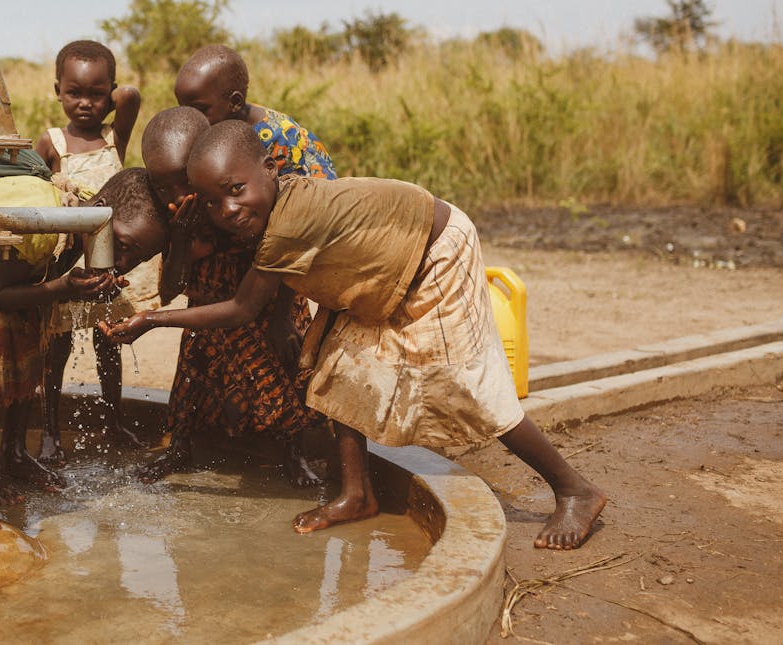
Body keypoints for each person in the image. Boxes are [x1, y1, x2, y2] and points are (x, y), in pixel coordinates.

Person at [103, 121, 607, 550]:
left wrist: (150, 321)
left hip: (435, 257)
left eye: (236, 190)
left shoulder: (287, 225)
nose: (229, 210)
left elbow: (241, 308)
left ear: (271, 169)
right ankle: (357, 494)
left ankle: (573, 489)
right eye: (213, 202)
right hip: (389, 271)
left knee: (468, 386)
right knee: (338, 373)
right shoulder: (274, 209)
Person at [139, 106, 324, 486]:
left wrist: (282, 318)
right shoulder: (185, 214)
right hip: (207, 314)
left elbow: (285, 263)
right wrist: (180, 236)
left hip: (269, 306)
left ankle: (294, 453)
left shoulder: (237, 201)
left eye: (182, 183)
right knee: (192, 384)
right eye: (163, 188)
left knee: (284, 376)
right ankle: (180, 447)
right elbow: (171, 288)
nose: (177, 196)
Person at [34, 41, 153, 463]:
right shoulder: (50, 143)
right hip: (69, 264)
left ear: (109, 94)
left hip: (108, 266)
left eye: (96, 94)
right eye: (74, 93)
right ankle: (50, 432)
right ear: (57, 91)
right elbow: (37, 196)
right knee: (57, 350)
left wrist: (112, 98)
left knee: (110, 345)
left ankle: (114, 421)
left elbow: (132, 98)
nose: (84, 104)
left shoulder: (112, 138)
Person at [0, 152, 124, 504]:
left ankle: (13, 454)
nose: (120, 258)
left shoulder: (89, 210)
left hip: (20, 285)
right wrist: (62, 288)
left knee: (30, 362)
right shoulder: (45, 227)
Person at [174, 44, 336, 178]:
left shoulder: (282, 140)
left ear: (235, 103)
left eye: (200, 109)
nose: (190, 119)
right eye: (184, 110)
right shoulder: (219, 124)